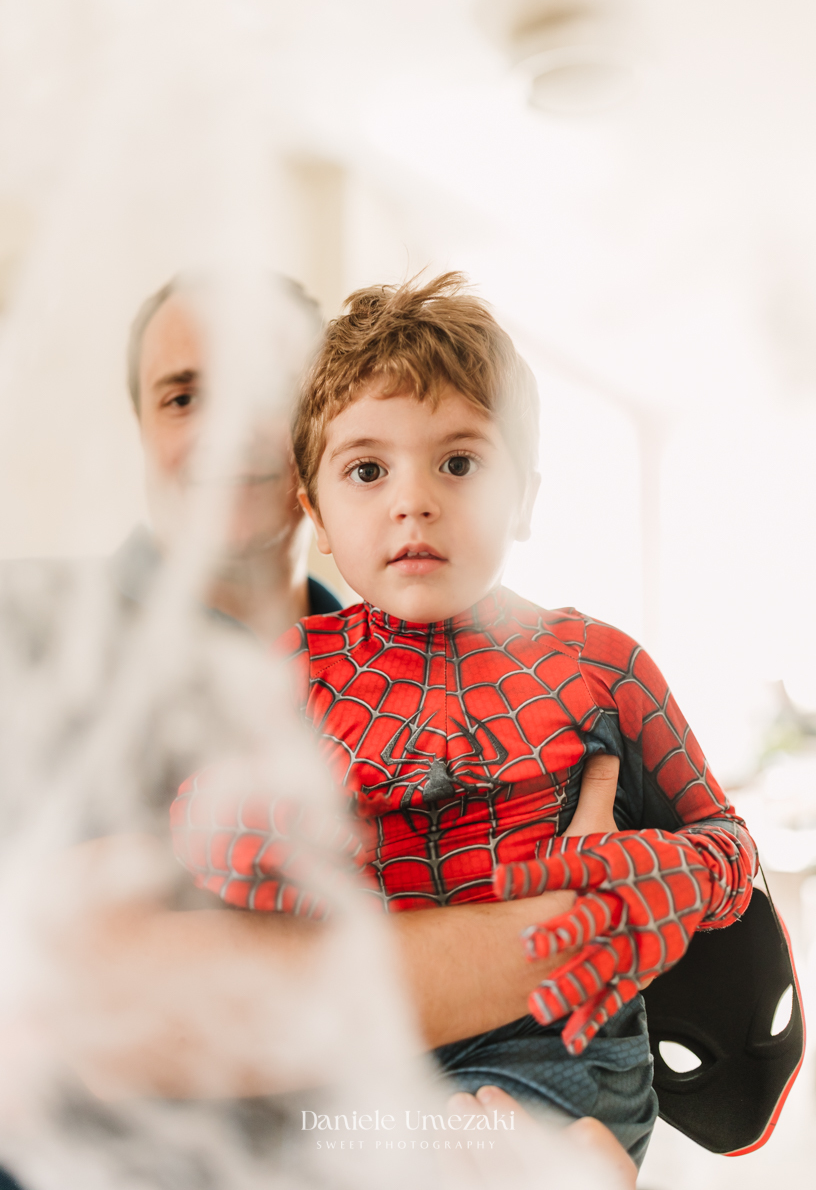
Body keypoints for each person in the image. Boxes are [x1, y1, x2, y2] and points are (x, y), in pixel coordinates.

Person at [170, 272, 757, 1171]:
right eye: (367, 470)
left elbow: (730, 848)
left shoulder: (604, 665)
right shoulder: (284, 677)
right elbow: (197, 845)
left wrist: (668, 873)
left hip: (560, 1044)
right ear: (316, 513)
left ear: (523, 496)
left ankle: (572, 1158)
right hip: (365, 1053)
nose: (416, 502)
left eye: (459, 461)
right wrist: (238, 835)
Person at [112, 274, 342, 636]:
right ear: (141, 428)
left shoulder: (403, 668)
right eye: (183, 400)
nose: (228, 436)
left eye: (269, 393)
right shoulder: (29, 637)